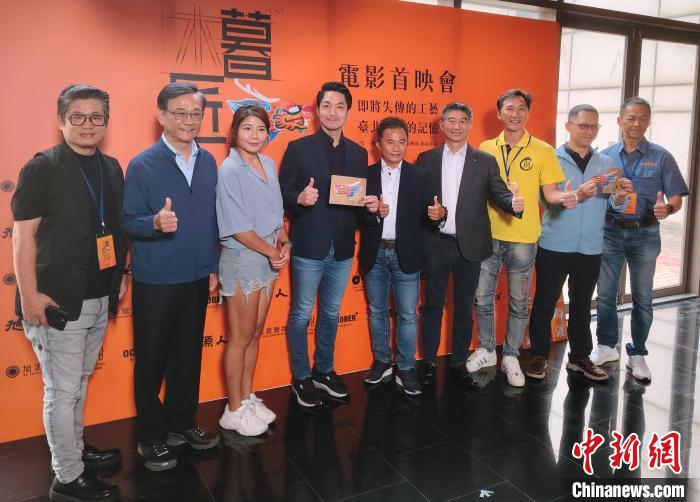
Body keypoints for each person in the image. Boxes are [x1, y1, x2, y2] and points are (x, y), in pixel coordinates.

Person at [12, 84, 126, 502]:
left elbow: (113, 229)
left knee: (77, 381)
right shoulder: (43, 167)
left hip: (98, 296)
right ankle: (67, 476)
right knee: (62, 391)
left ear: (106, 122)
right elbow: (23, 237)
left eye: (96, 117)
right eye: (77, 116)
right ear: (61, 120)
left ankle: (73, 450)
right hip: (57, 300)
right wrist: (30, 296)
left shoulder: (111, 166)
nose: (87, 125)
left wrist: (120, 277)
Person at [123, 82, 219, 471]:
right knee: (151, 359)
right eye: (179, 113)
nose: (188, 120)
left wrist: (212, 265)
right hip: (157, 279)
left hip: (196, 276)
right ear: (161, 115)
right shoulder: (142, 164)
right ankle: (150, 436)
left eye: (195, 113)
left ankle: (181, 422)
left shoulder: (208, 161)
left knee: (187, 356)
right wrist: (154, 223)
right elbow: (128, 221)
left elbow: (211, 219)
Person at [279, 81, 379, 407]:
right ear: (317, 111)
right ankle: (301, 376)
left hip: (343, 247)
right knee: (301, 313)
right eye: (326, 106)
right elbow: (282, 192)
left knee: (331, 312)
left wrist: (370, 207)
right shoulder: (298, 148)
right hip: (309, 245)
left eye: (339, 106)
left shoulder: (359, 153)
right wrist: (299, 197)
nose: (333, 112)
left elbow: (356, 200)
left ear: (348, 111)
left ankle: (323, 370)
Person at [472, 89, 577, 388]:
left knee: (519, 302)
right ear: (499, 113)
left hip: (524, 237)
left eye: (521, 108)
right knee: (482, 297)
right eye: (509, 108)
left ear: (527, 113)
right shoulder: (485, 148)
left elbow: (550, 193)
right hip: (488, 235)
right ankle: (487, 350)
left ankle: (511, 355)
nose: (515, 113)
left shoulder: (543, 150)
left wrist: (564, 197)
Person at [417, 102, 524, 389]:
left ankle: (457, 363)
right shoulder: (426, 159)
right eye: (451, 120)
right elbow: (418, 201)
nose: (456, 126)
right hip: (436, 243)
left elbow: (499, 193)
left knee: (464, 307)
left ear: (469, 124)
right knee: (432, 306)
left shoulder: (485, 160)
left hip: (471, 245)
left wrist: (513, 203)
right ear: (441, 125)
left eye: (462, 121)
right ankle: (428, 361)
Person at [527, 104, 633, 382]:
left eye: (594, 126)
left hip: (591, 246)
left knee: (582, 304)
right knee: (545, 302)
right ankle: (539, 355)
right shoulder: (550, 158)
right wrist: (577, 194)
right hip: (554, 244)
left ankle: (580, 357)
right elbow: (545, 200)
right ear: (568, 126)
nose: (589, 131)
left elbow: (614, 204)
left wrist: (621, 195)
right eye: (583, 125)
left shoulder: (606, 162)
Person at [592, 97, 689, 383]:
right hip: (610, 231)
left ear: (648, 122)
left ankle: (637, 353)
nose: (636, 123)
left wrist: (667, 209)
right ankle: (606, 346)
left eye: (642, 118)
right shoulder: (605, 157)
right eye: (631, 118)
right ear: (620, 121)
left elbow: (676, 197)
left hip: (645, 233)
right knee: (606, 295)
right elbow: (600, 196)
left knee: (643, 297)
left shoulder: (661, 156)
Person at [216, 105, 290, 435]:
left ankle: (246, 397)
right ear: (235, 132)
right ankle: (232, 409)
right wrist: (274, 252)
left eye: (261, 129)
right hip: (243, 259)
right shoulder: (229, 170)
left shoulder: (268, 163)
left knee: (255, 333)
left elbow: (276, 214)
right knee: (240, 337)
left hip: (268, 257)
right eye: (247, 128)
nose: (255, 135)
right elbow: (238, 228)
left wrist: (285, 242)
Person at [360, 117, 437, 396]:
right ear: (378, 144)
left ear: (407, 143)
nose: (396, 147)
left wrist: (440, 215)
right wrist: (371, 214)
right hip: (375, 252)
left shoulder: (420, 176)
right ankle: (382, 361)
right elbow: (354, 217)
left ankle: (405, 367)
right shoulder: (365, 175)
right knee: (377, 311)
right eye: (390, 141)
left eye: (401, 141)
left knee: (407, 314)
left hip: (407, 253)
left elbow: (431, 215)